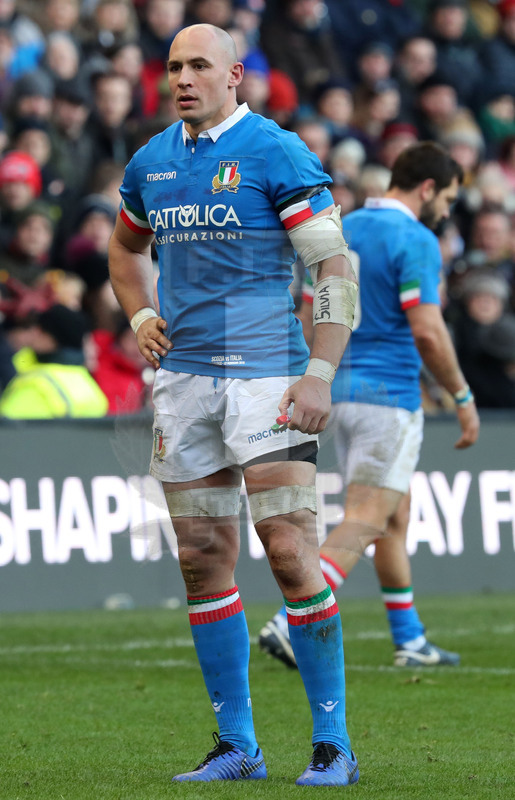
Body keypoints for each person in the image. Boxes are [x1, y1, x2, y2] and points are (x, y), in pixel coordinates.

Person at [108, 23, 359, 787]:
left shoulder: (276, 151)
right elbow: (125, 250)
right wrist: (140, 316)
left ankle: (332, 745)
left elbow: (332, 267)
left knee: (287, 550)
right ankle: (237, 745)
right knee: (201, 559)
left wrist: (318, 370)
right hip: (184, 384)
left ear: (235, 76)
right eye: (174, 66)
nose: (182, 78)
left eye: (198, 66)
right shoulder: (150, 163)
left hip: (267, 376)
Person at [260, 142, 480, 670]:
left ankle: (410, 640)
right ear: (426, 188)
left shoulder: (343, 227)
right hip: (390, 395)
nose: (447, 211)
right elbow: (427, 331)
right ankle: (293, 621)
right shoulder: (416, 238)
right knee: (364, 517)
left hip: (341, 389)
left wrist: (316, 376)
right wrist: (463, 395)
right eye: (447, 199)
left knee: (392, 515)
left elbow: (314, 311)